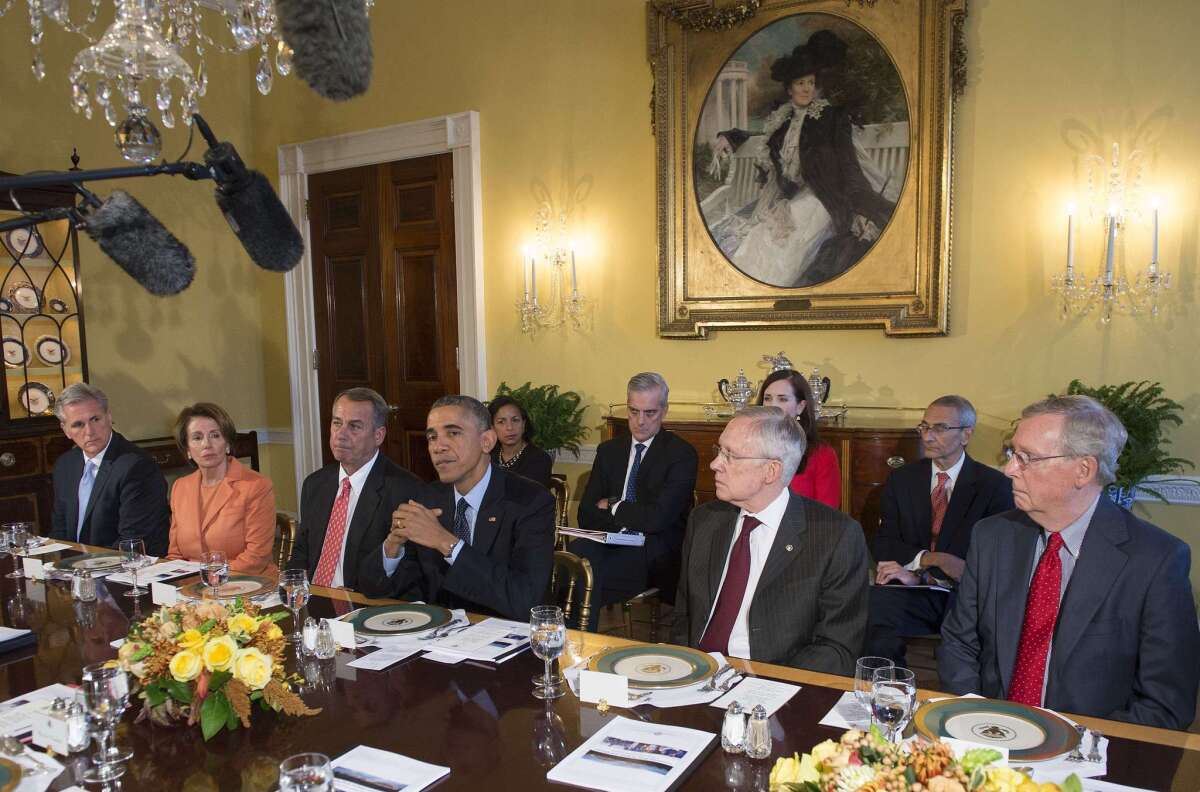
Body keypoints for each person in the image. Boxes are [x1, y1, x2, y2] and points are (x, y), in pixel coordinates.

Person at [939, 396, 1199, 730]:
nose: (1009, 469)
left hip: (1090, 759)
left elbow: (1165, 706)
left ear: (1083, 470)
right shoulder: (992, 536)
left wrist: (1070, 749)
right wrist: (978, 724)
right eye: (1012, 454)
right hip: (990, 737)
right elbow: (959, 643)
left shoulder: (1156, 560)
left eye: (1026, 458)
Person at [671, 407, 868, 675]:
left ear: (771, 471)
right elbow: (684, 617)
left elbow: (836, 648)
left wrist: (766, 684)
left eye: (730, 455)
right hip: (696, 674)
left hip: (774, 684)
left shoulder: (835, 537)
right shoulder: (704, 520)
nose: (715, 464)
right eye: (720, 450)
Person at [709, 29, 898, 287]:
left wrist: (863, 209)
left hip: (827, 197)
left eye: (810, 82)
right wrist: (732, 136)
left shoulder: (830, 117)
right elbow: (763, 136)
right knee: (760, 235)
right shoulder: (783, 121)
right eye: (800, 84)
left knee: (786, 240)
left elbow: (849, 166)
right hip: (795, 196)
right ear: (789, 89)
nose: (807, 89)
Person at [360, 395, 555, 620]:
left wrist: (446, 543)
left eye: (453, 433)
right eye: (432, 437)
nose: (438, 447)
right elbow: (373, 590)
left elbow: (525, 600)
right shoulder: (427, 498)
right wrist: (393, 546)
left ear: (487, 441)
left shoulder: (530, 501)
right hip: (438, 639)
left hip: (506, 639)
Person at [864, 395, 1013, 666]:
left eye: (940, 428)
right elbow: (883, 544)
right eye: (924, 427)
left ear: (966, 435)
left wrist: (933, 575)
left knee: (965, 647)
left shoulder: (994, 487)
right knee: (873, 611)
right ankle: (889, 694)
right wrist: (925, 564)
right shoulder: (903, 480)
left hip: (965, 595)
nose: (928, 436)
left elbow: (998, 563)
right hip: (911, 589)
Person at [574, 372, 698, 628]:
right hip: (609, 539)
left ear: (664, 411)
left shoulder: (681, 455)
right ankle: (560, 640)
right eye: (633, 411)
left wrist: (613, 505)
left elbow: (657, 519)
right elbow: (586, 513)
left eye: (650, 413)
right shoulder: (608, 451)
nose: (640, 421)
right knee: (568, 561)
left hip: (654, 551)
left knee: (590, 575)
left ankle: (582, 641)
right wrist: (624, 521)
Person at [289, 387, 426, 591]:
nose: (340, 435)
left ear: (378, 436)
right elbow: (301, 553)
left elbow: (408, 575)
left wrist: (354, 596)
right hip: (311, 599)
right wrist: (292, 589)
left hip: (362, 605)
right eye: (337, 423)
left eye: (354, 427)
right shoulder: (315, 484)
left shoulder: (405, 490)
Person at [49, 383, 170, 555]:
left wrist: (83, 568)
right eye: (78, 424)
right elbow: (59, 532)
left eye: (95, 419)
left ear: (109, 417)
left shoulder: (137, 466)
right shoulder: (65, 465)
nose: (89, 432)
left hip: (125, 570)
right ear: (65, 430)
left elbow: (132, 541)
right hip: (76, 572)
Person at [165, 402, 277, 577]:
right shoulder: (180, 487)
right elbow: (175, 555)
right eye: (197, 437)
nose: (206, 444)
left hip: (247, 584)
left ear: (227, 444)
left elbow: (256, 558)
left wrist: (208, 580)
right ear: (187, 449)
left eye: (215, 435)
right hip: (193, 589)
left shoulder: (256, 486)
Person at [756, 369, 840, 508]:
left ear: (800, 407)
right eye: (767, 398)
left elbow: (827, 515)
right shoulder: (749, 446)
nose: (772, 406)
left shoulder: (822, 454)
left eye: (782, 399)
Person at [488, 395, 554, 489]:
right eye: (501, 422)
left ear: (524, 424)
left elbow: (530, 499)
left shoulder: (539, 459)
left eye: (515, 420)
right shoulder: (488, 456)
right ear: (492, 427)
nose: (509, 427)